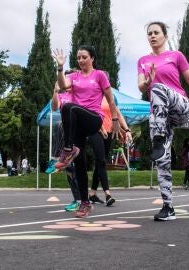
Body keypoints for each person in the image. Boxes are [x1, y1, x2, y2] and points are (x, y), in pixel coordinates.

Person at [137, 21, 189, 221]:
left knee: (157, 88)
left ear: (164, 35)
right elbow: (141, 86)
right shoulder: (143, 60)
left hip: (180, 106)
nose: (152, 36)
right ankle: (168, 207)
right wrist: (147, 81)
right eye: (149, 34)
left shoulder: (176, 56)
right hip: (159, 117)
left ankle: (158, 137)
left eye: (156, 32)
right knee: (162, 161)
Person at [52, 45, 120, 218]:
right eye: (78, 57)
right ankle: (84, 203)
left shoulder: (100, 75)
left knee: (69, 107)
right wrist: (60, 68)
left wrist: (114, 120)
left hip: (93, 119)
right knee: (80, 164)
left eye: (84, 57)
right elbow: (61, 86)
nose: (81, 60)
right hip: (78, 125)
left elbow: (111, 100)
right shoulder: (74, 76)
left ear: (92, 58)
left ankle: (68, 149)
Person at [88, 97, 132, 207]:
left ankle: (92, 193)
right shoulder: (93, 94)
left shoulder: (111, 97)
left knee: (100, 162)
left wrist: (127, 130)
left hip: (108, 132)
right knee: (101, 161)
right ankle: (108, 194)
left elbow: (117, 113)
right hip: (95, 130)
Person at [46, 74, 81, 212]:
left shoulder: (77, 93)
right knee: (69, 168)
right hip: (66, 135)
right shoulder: (62, 95)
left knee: (76, 167)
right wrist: (55, 91)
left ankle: (80, 199)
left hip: (77, 130)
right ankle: (77, 199)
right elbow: (54, 107)